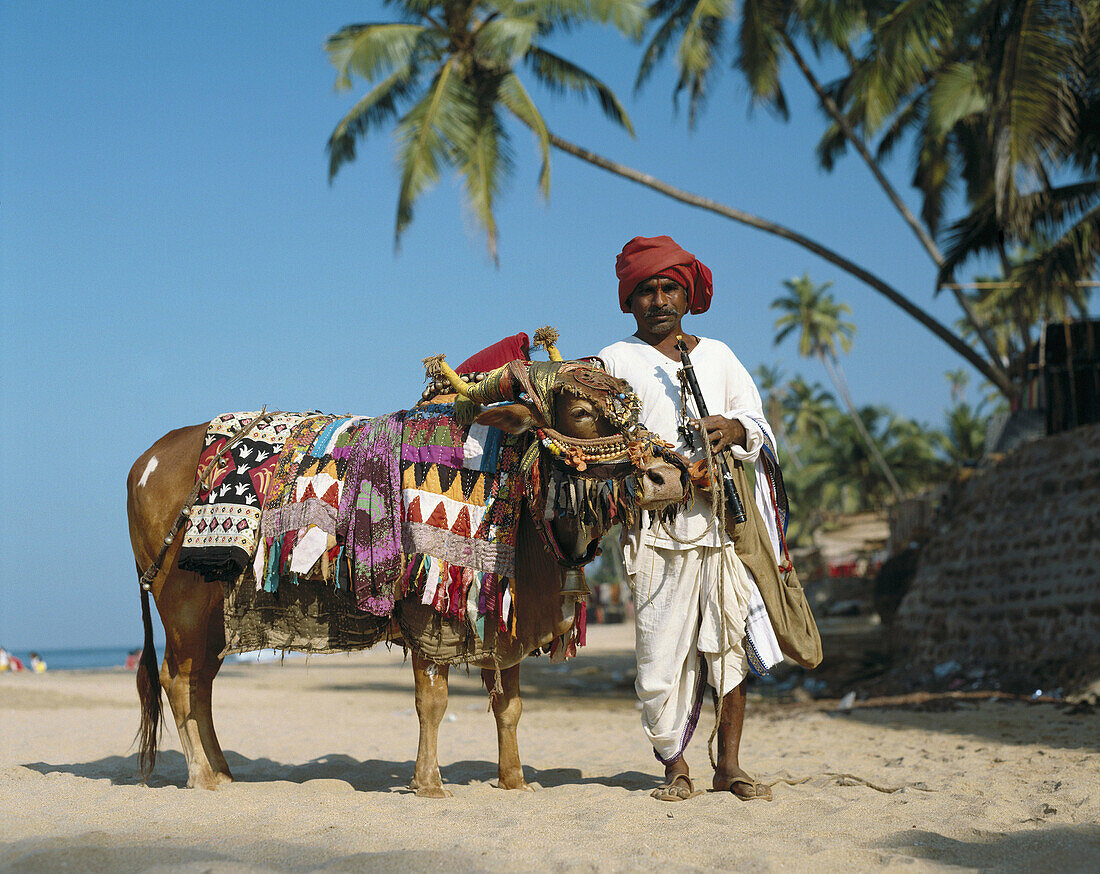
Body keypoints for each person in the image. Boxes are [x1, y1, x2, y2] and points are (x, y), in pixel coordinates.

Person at [598, 235, 784, 802]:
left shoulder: (719, 356)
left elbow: (760, 427)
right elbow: (601, 443)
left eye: (668, 288)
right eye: (647, 290)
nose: (658, 300)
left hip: (722, 529)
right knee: (659, 658)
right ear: (630, 300)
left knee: (729, 648)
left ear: (687, 294)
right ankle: (675, 767)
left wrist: (732, 429)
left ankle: (729, 766)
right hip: (656, 536)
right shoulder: (614, 361)